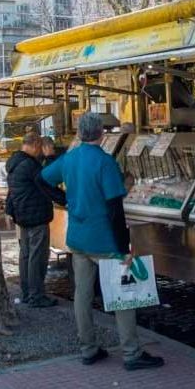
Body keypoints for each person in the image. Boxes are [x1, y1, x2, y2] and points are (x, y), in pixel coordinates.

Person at [42, 112, 164, 371]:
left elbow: (40, 179)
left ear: (79, 133)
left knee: (82, 294)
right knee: (123, 295)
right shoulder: (105, 162)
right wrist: (124, 248)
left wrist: (64, 200)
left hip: (76, 237)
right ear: (101, 134)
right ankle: (131, 353)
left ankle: (88, 349)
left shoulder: (70, 158)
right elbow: (115, 208)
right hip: (104, 240)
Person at [5, 132, 66, 308]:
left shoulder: (15, 162)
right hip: (36, 215)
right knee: (37, 256)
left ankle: (27, 293)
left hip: (22, 214)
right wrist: (67, 199)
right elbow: (47, 181)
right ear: (35, 145)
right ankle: (36, 295)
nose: (41, 151)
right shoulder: (29, 164)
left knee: (26, 255)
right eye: (40, 147)